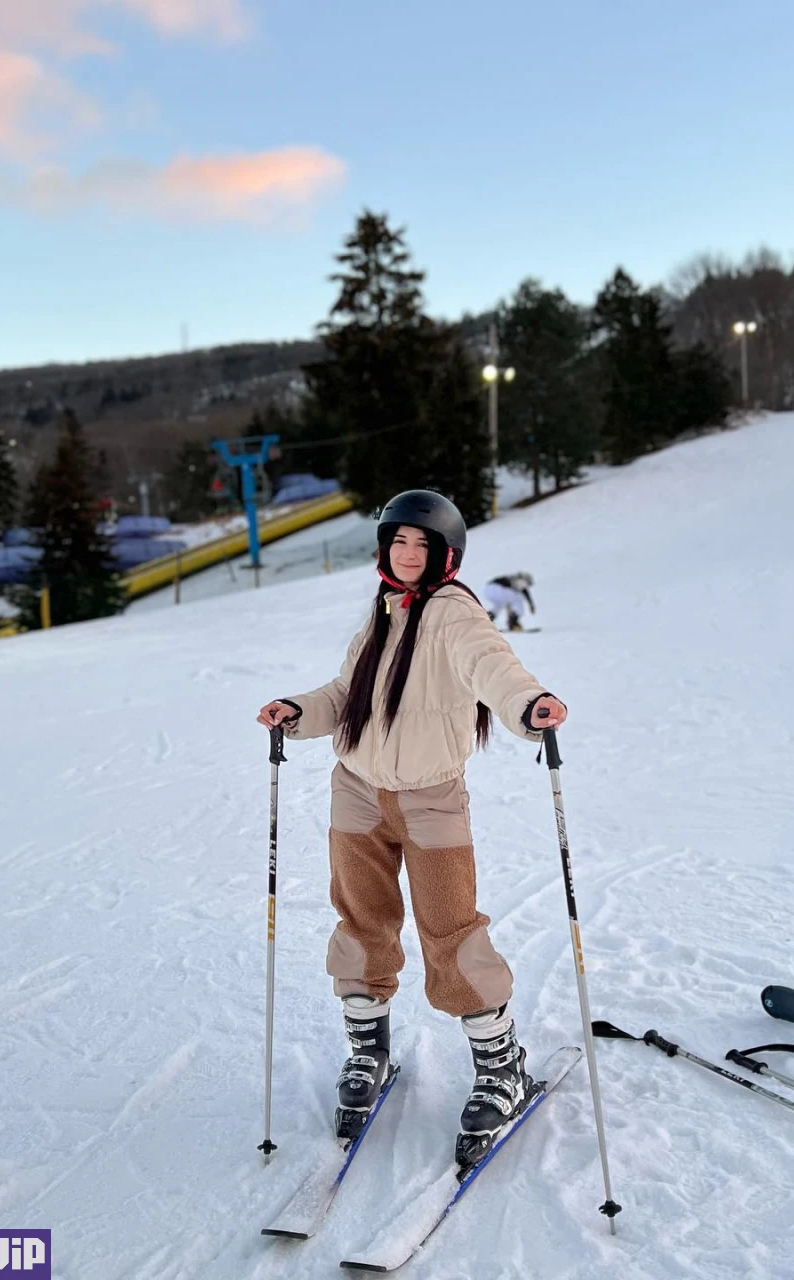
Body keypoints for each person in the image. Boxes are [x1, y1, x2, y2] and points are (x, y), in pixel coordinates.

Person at [256, 490, 567, 1169]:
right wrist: (297, 711)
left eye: (421, 545)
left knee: (451, 927)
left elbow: (493, 668)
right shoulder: (381, 612)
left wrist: (529, 704)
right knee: (361, 920)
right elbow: (344, 696)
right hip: (357, 793)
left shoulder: (454, 612)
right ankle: (368, 1050)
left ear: (445, 555)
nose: (406, 554)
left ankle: (502, 1065)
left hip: (431, 799)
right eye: (398, 542)